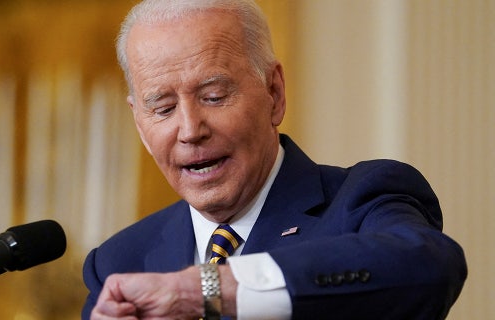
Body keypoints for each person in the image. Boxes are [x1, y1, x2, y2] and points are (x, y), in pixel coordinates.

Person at [82, 0, 467, 319]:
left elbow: (429, 268)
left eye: (213, 97)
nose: (190, 129)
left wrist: (204, 288)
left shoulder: (362, 200)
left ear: (274, 92)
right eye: (163, 108)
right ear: (139, 124)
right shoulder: (118, 261)